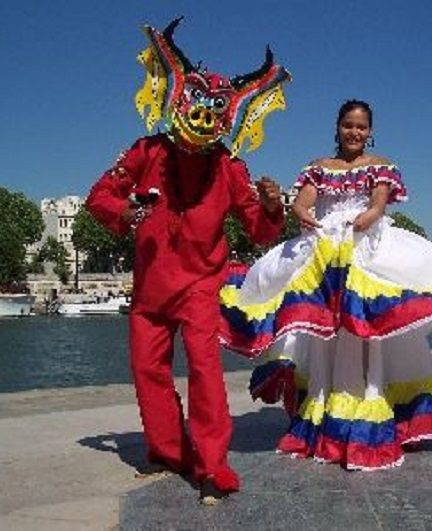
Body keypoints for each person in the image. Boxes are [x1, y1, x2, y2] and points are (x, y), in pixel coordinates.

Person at [220, 99, 432, 470]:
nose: (355, 132)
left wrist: (367, 217)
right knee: (326, 336)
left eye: (361, 126)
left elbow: (378, 204)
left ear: (370, 131)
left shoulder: (379, 166)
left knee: (369, 332)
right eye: (348, 125)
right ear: (337, 127)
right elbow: (303, 203)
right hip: (324, 254)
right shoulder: (318, 168)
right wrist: (303, 214)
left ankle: (375, 408)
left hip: (365, 251)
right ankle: (329, 411)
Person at [86, 19, 290, 503]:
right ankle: (168, 452)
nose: (200, 114)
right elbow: (99, 195)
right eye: (194, 102)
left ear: (227, 118)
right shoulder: (145, 151)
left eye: (212, 109)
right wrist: (126, 211)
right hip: (149, 288)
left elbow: (260, 231)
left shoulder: (229, 166)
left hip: (201, 285)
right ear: (176, 99)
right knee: (147, 370)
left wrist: (273, 205)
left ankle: (212, 466)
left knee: (204, 370)